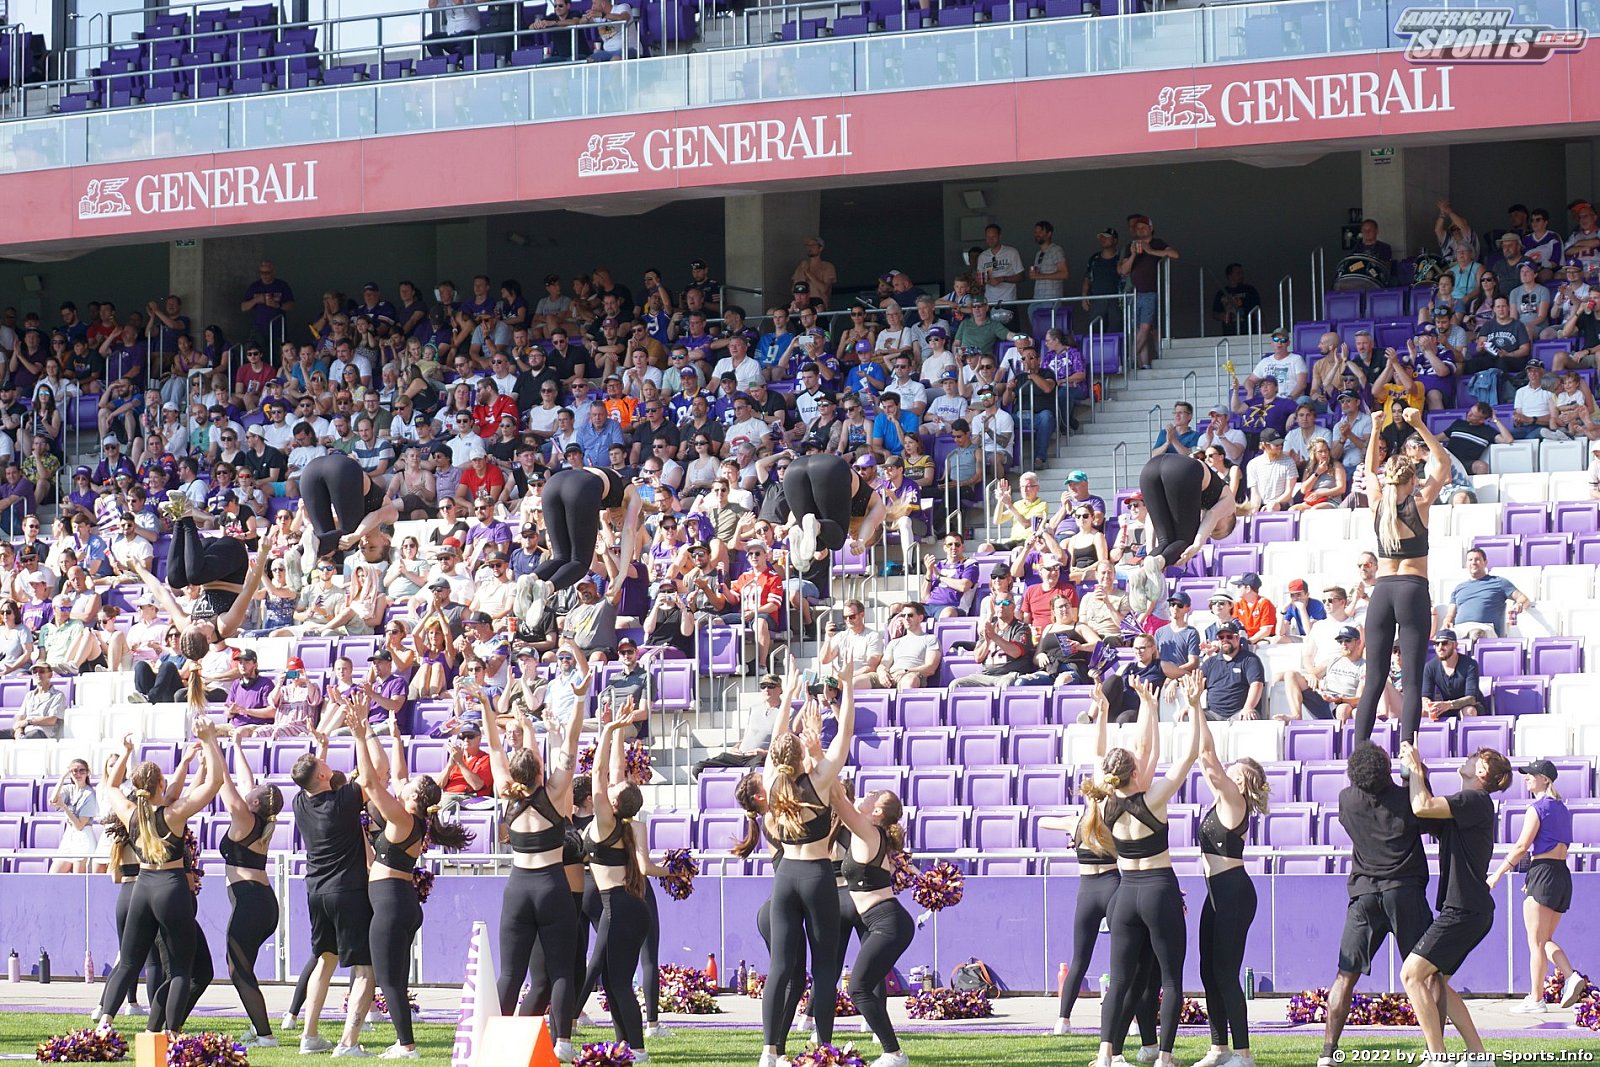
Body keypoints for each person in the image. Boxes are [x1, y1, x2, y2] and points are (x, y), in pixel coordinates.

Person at [347, 697, 473, 1058]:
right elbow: (395, 777)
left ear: (416, 796)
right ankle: (405, 1043)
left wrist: (360, 735)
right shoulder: (413, 819)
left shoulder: (403, 820)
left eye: (410, 785)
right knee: (395, 980)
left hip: (391, 904)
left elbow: (370, 782)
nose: (403, 784)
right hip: (399, 901)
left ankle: (407, 1046)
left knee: (388, 980)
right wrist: (392, 737)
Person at [1087, 675, 1203, 1067]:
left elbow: (1102, 752)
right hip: (1158, 889)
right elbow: (1189, 754)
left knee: (1119, 980)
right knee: (1170, 979)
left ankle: (1106, 1054)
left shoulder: (1103, 800)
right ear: (1136, 774)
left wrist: (1107, 713)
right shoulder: (1153, 798)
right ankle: (1164, 1056)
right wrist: (1194, 706)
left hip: (1124, 895)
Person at [95, 717, 225, 1034]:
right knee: (180, 968)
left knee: (129, 962)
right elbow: (215, 783)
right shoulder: (174, 814)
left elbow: (110, 786)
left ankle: (104, 1022)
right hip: (170, 887)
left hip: (142, 888)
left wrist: (126, 752)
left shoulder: (130, 813)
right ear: (161, 786)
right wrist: (210, 740)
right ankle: (170, 1032)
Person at [759, 662, 858, 1067]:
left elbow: (775, 740)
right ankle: (823, 1048)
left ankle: (770, 1051)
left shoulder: (770, 779)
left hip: (785, 877)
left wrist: (786, 700)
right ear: (801, 754)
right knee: (824, 966)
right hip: (817, 876)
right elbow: (845, 734)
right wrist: (847, 688)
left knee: (781, 967)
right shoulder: (818, 780)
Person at [1317, 742, 1433, 1067]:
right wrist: (1417, 774)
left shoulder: (1347, 799)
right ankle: (1434, 1051)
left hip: (1364, 894)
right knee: (1427, 975)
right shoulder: (1406, 799)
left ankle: (1328, 1053)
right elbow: (1429, 817)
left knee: (1345, 976)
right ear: (1386, 769)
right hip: (1404, 891)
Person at [488, 686, 585, 1062]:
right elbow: (571, 744)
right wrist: (579, 700)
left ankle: (495, 1041)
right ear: (540, 770)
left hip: (517, 888)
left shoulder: (506, 792)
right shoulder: (556, 793)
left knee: (510, 974)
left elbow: (494, 748)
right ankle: (563, 1043)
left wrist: (484, 704)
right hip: (551, 886)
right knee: (561, 971)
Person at [1397, 741, 1510, 1061]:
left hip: (1464, 909)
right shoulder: (1467, 806)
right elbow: (1424, 811)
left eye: (1474, 757)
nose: (1468, 759)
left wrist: (1416, 768)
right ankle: (1478, 1055)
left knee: (1411, 975)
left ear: (1482, 771)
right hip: (1469, 909)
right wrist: (1418, 775)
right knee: (1436, 982)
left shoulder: (1474, 799)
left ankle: (1437, 1056)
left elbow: (1422, 806)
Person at [1352, 409, 1449, 746]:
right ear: (1411, 481)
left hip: (1382, 592)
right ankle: (1408, 753)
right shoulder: (1419, 504)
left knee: (1374, 679)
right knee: (1411, 682)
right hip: (1412, 588)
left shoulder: (1377, 504)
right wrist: (1419, 424)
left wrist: (1375, 427)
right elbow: (1442, 463)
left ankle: (1359, 754)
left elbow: (1369, 470)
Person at [289, 736, 377, 1055]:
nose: (326, 762)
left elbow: (310, 778)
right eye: (323, 763)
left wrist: (321, 749)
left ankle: (309, 1036)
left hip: (316, 891)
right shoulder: (344, 800)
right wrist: (360, 735)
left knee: (325, 961)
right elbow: (371, 777)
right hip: (347, 891)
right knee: (366, 968)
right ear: (323, 775)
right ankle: (348, 1043)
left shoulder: (299, 802)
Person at [1193, 717, 1270, 1067]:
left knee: (1225, 972)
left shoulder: (1234, 801)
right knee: (1208, 972)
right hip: (1214, 892)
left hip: (1233, 892)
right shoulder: (1221, 800)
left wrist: (1197, 706)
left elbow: (1208, 758)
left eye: (1234, 770)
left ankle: (1244, 1053)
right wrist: (1194, 713)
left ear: (1241, 782)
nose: (1227, 771)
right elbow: (1203, 757)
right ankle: (1218, 1048)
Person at [1489, 758, 1589, 1013]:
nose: (1527, 778)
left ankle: (1537, 999)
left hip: (1543, 873)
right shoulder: (1563, 809)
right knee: (1544, 940)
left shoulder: (1537, 808)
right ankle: (1570, 977)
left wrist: (1497, 874)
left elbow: (1522, 846)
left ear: (1545, 779)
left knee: (1536, 944)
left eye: (1532, 774)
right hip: (1560, 875)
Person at [827, 779, 915, 1067]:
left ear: (877, 812)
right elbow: (839, 805)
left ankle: (894, 1054)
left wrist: (822, 766)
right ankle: (893, 1053)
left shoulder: (868, 831)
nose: (866, 794)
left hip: (888, 922)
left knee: (858, 988)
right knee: (861, 987)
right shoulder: (864, 831)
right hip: (884, 922)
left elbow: (839, 802)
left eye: (872, 795)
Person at [585, 717, 652, 1057]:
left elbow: (598, 774)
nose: (612, 784)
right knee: (613, 982)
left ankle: (638, 1048)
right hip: (626, 906)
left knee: (619, 982)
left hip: (619, 907)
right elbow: (613, 773)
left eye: (616, 788)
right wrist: (617, 734)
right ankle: (625, 1045)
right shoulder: (621, 820)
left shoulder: (605, 820)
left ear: (613, 804)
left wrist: (608, 732)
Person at [214, 736, 284, 1048]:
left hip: (251, 904)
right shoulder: (257, 817)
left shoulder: (245, 817)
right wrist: (237, 746)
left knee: (238, 971)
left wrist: (212, 745)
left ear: (255, 803)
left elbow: (224, 783)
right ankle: (259, 1029)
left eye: (256, 790)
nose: (251, 787)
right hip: (262, 903)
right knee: (244, 970)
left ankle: (266, 1036)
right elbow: (245, 782)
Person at [535, 463, 646, 592]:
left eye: (618, 526)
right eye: (623, 522)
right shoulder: (635, 498)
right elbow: (629, 532)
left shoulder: (607, 496)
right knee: (580, 562)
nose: (619, 523)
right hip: (579, 486)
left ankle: (531, 578)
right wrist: (622, 575)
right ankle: (546, 589)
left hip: (554, 482)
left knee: (561, 557)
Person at [1136, 450, 1239, 575]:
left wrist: (1150, 552)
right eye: (1217, 529)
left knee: (1165, 541)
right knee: (1186, 541)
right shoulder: (1230, 504)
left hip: (1150, 468)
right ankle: (1158, 564)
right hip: (1182, 470)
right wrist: (1196, 546)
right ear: (1230, 517)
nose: (1210, 529)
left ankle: (1144, 571)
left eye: (1211, 532)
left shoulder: (1197, 502)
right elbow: (1212, 515)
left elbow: (1151, 517)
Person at [783, 452, 888, 563]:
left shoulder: (839, 509)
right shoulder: (877, 505)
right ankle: (813, 527)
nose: (853, 538)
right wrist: (862, 541)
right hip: (832, 468)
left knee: (818, 542)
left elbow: (802, 509)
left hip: (794, 469)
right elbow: (871, 523)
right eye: (857, 536)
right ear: (875, 529)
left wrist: (787, 526)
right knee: (837, 541)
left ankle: (798, 531)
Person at [296, 452, 401, 559]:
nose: (365, 543)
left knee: (324, 541)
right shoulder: (392, 518)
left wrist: (306, 518)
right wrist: (357, 535)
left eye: (363, 548)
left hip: (311, 472)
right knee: (350, 540)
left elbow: (320, 525)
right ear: (385, 541)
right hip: (342, 468)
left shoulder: (350, 522)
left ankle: (296, 553)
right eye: (372, 547)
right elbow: (376, 516)